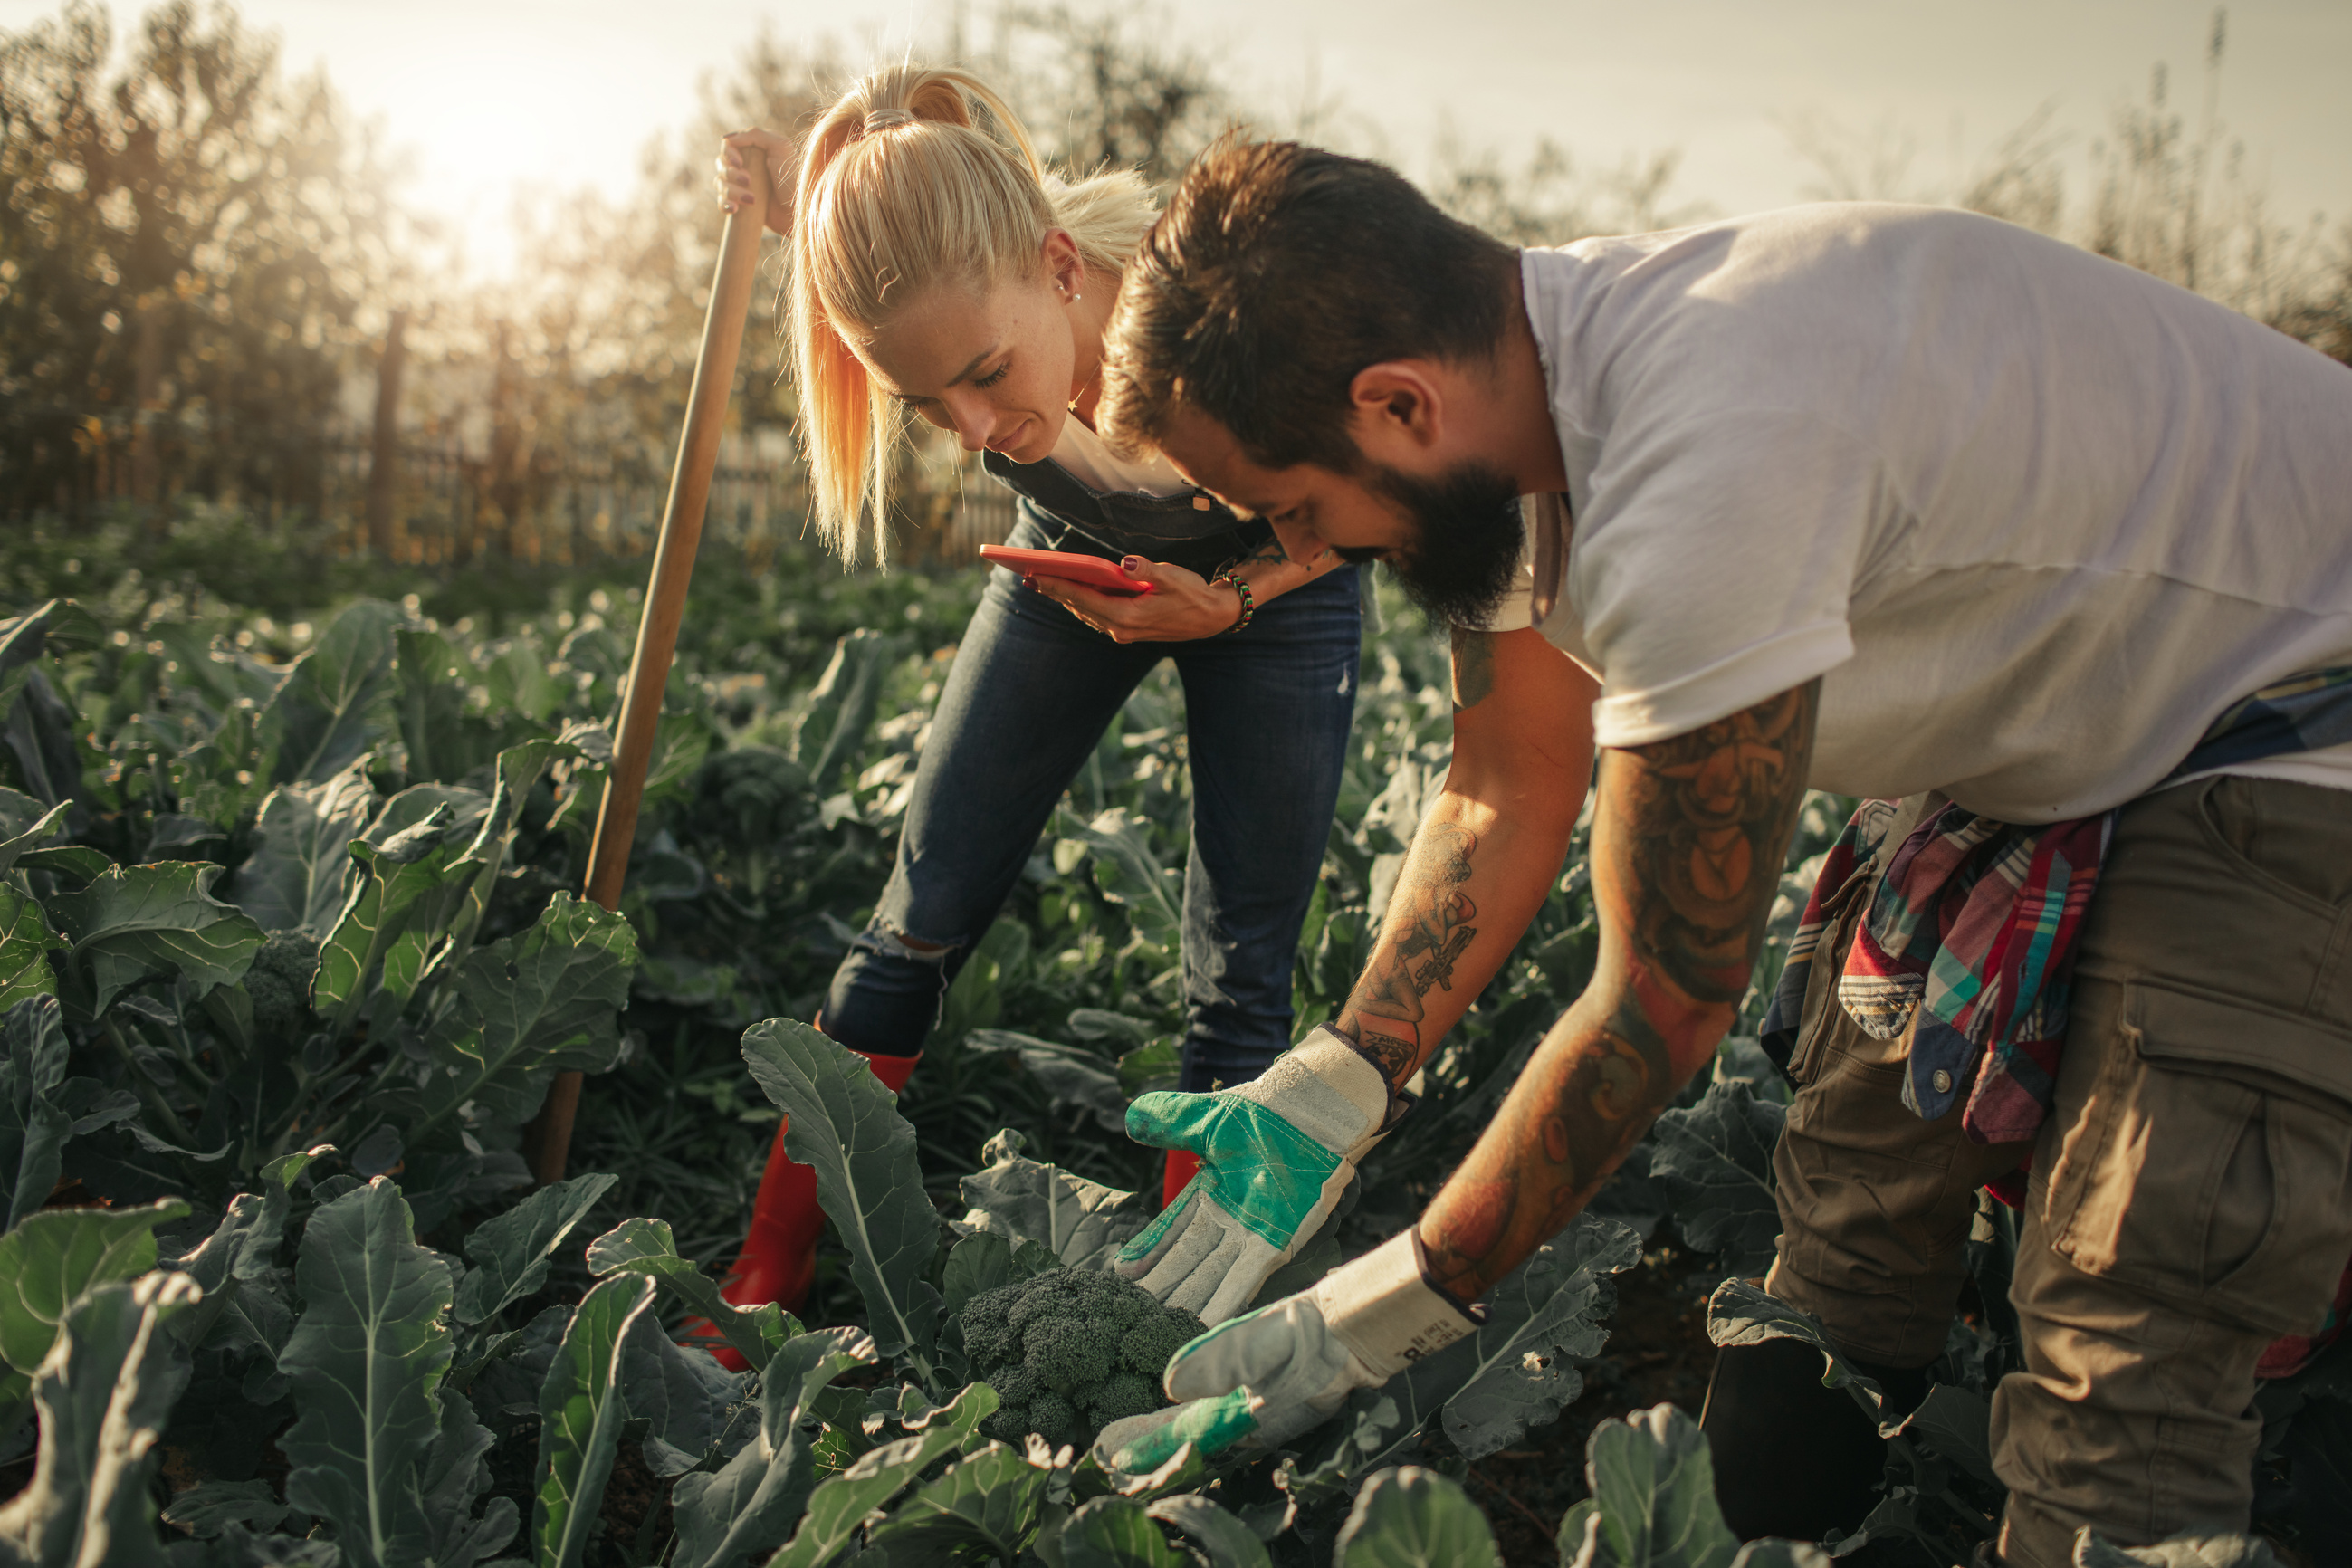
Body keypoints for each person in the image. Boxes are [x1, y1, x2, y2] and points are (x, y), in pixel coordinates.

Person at [1087, 138, 2352, 1566]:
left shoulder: (1708, 452)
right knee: (1847, 1233)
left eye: (1298, 511)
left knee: (2126, 1338)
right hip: (2072, 730)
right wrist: (1340, 1076)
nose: (1305, 550)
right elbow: (1508, 783)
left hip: (2299, 727)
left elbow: (1664, 1001)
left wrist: (1379, 1308)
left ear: (1395, 403)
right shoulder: (1528, 405)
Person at [693, 73, 1360, 1331]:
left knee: (1242, 967)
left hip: (1280, 589)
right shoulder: (969, 302)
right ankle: (766, 1270)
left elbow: (1378, 489)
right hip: (1075, 564)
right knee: (918, 913)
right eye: (925, 403)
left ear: (1062, 267)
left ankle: (1181, 1308)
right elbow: (910, 257)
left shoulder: (1235, 318)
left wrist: (1236, 598)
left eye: (988, 376)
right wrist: (800, 199)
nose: (975, 429)